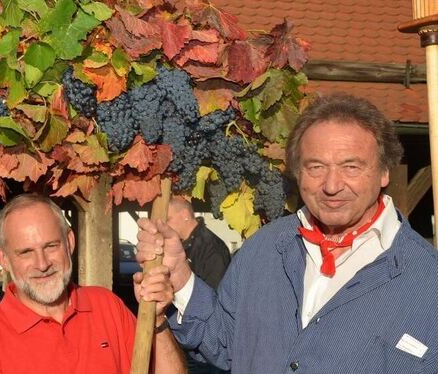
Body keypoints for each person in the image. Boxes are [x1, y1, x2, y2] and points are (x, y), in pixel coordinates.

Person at [136, 94, 438, 373]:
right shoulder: (263, 250)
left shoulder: (427, 281)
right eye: (316, 167)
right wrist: (182, 278)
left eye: (351, 167)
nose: (332, 185)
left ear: (384, 171)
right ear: (298, 172)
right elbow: (224, 342)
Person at [0, 194, 186, 374]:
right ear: (4, 258)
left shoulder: (107, 306)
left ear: (70, 242)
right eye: (26, 252)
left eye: (51, 246)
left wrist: (156, 319)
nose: (42, 263)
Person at [166, 197, 230, 374]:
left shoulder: (211, 248)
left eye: (168, 219)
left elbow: (215, 298)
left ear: (185, 215)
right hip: (186, 339)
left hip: (204, 349)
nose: (165, 225)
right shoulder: (185, 245)